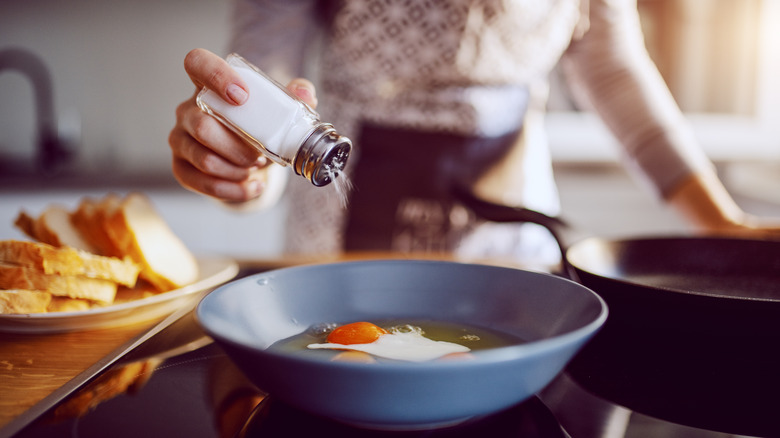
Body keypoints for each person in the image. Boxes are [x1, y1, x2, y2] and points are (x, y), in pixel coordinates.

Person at [169, 0, 780, 267]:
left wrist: (718, 223)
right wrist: (246, 159)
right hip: (340, 209)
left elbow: (612, 65)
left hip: (512, 233)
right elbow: (267, 65)